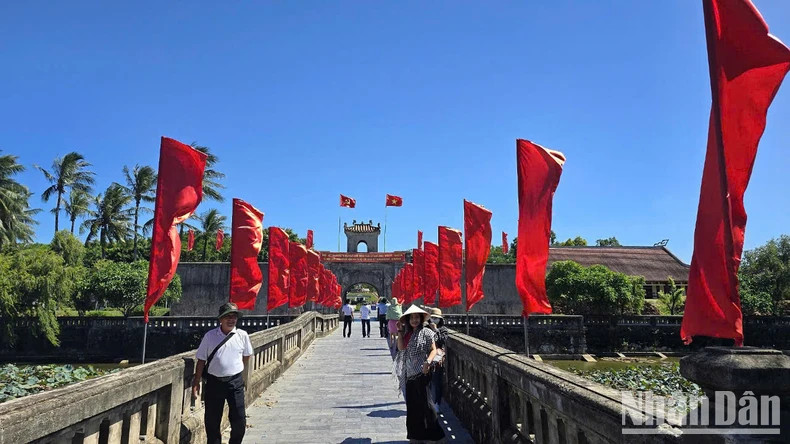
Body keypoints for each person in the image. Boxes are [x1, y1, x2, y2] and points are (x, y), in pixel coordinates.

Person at [192, 302, 254, 444]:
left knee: (239, 421)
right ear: (221, 319)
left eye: (234, 317)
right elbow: (201, 360)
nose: (231, 320)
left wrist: (239, 372)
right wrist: (196, 382)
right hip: (214, 383)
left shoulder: (242, 335)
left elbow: (247, 355)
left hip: (235, 382)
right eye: (228, 317)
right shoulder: (210, 336)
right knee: (212, 423)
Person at [394, 305, 446, 443]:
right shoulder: (407, 334)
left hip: (423, 373)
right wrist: (399, 331)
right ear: (408, 320)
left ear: (421, 318)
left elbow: (433, 350)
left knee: (426, 405)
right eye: (411, 318)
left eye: (416, 317)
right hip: (409, 375)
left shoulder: (427, 332)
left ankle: (436, 434)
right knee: (412, 406)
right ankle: (415, 435)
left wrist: (428, 362)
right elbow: (401, 348)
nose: (414, 320)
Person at [427, 307, 449, 410]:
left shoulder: (443, 329)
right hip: (427, 358)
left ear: (440, 319)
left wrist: (435, 330)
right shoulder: (425, 328)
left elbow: (442, 341)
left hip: (438, 359)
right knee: (427, 381)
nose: (434, 320)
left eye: (436, 318)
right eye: (432, 318)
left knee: (437, 381)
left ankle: (437, 403)